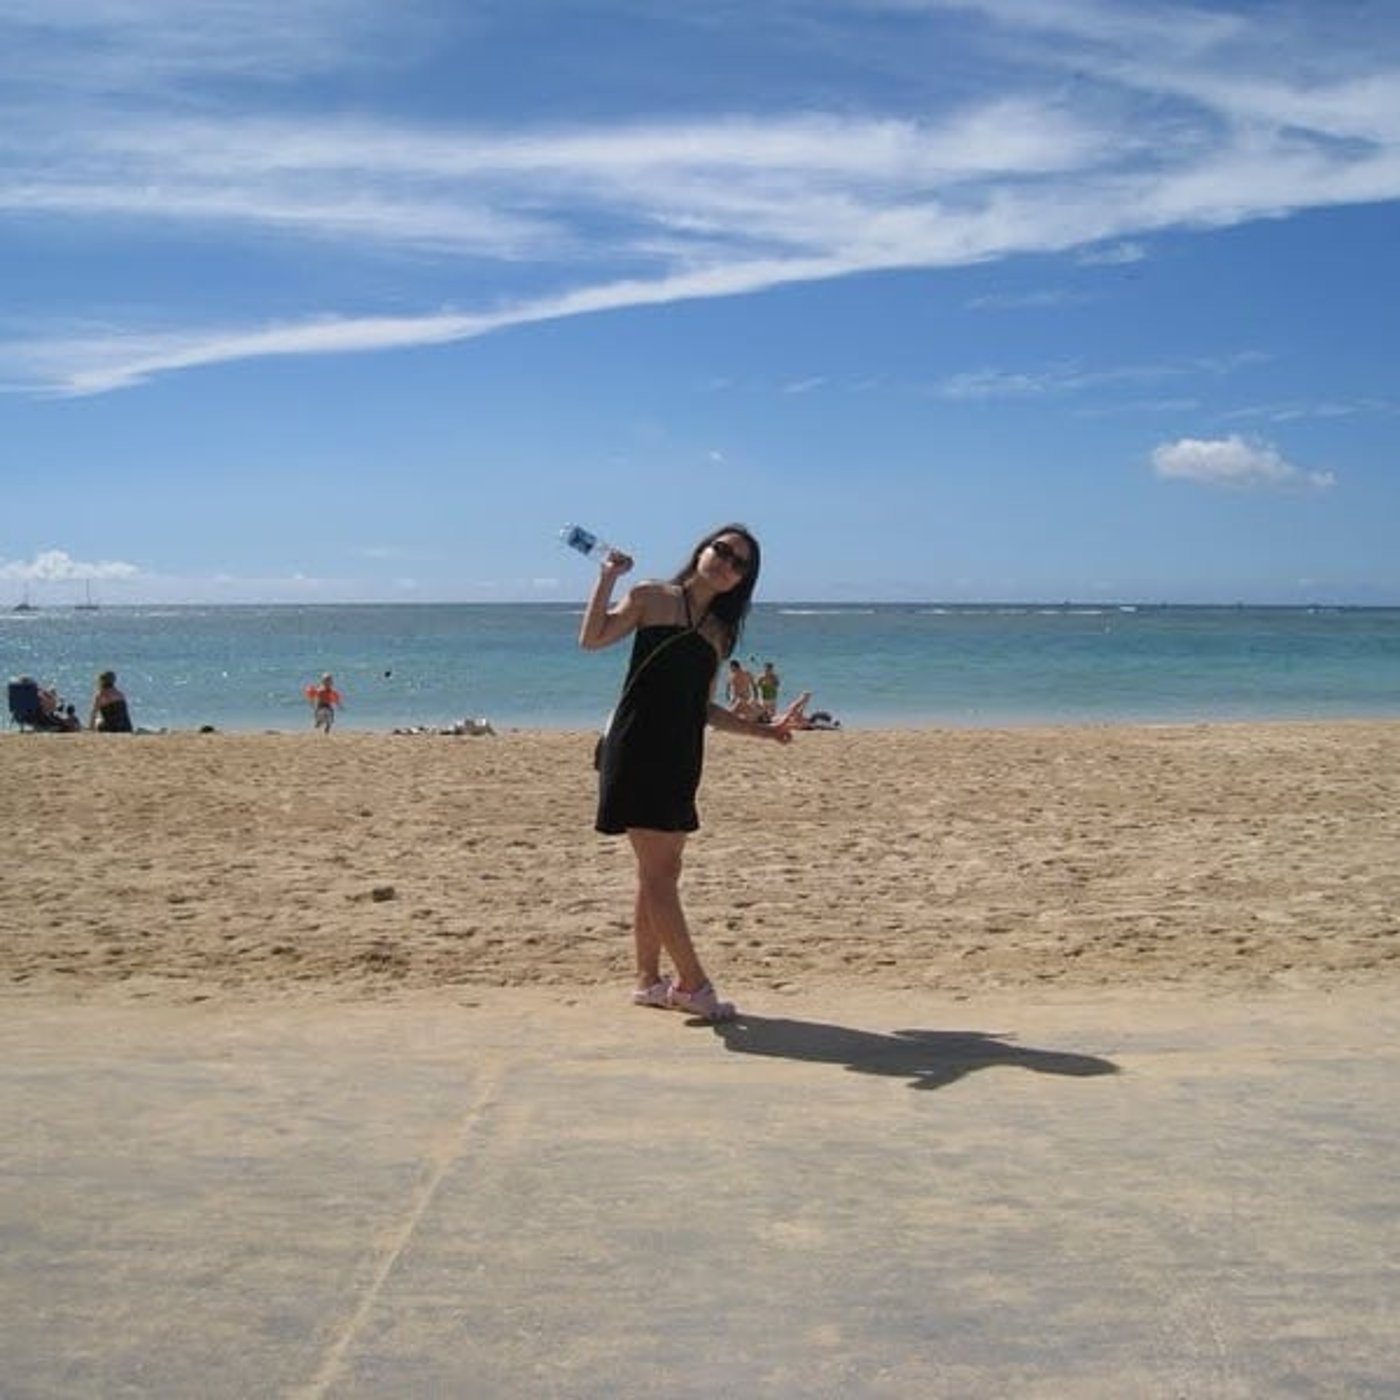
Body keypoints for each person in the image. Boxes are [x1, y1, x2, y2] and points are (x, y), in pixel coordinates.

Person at [579, 523, 808, 1021]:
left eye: (739, 563)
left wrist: (766, 732)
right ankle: (693, 985)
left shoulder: (719, 633)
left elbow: (703, 708)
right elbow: (592, 639)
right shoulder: (651, 596)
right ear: (702, 549)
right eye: (722, 550)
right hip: (636, 746)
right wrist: (607, 578)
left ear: (742, 580)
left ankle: (647, 981)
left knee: (660, 873)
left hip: (682, 755)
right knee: (659, 875)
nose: (726, 563)